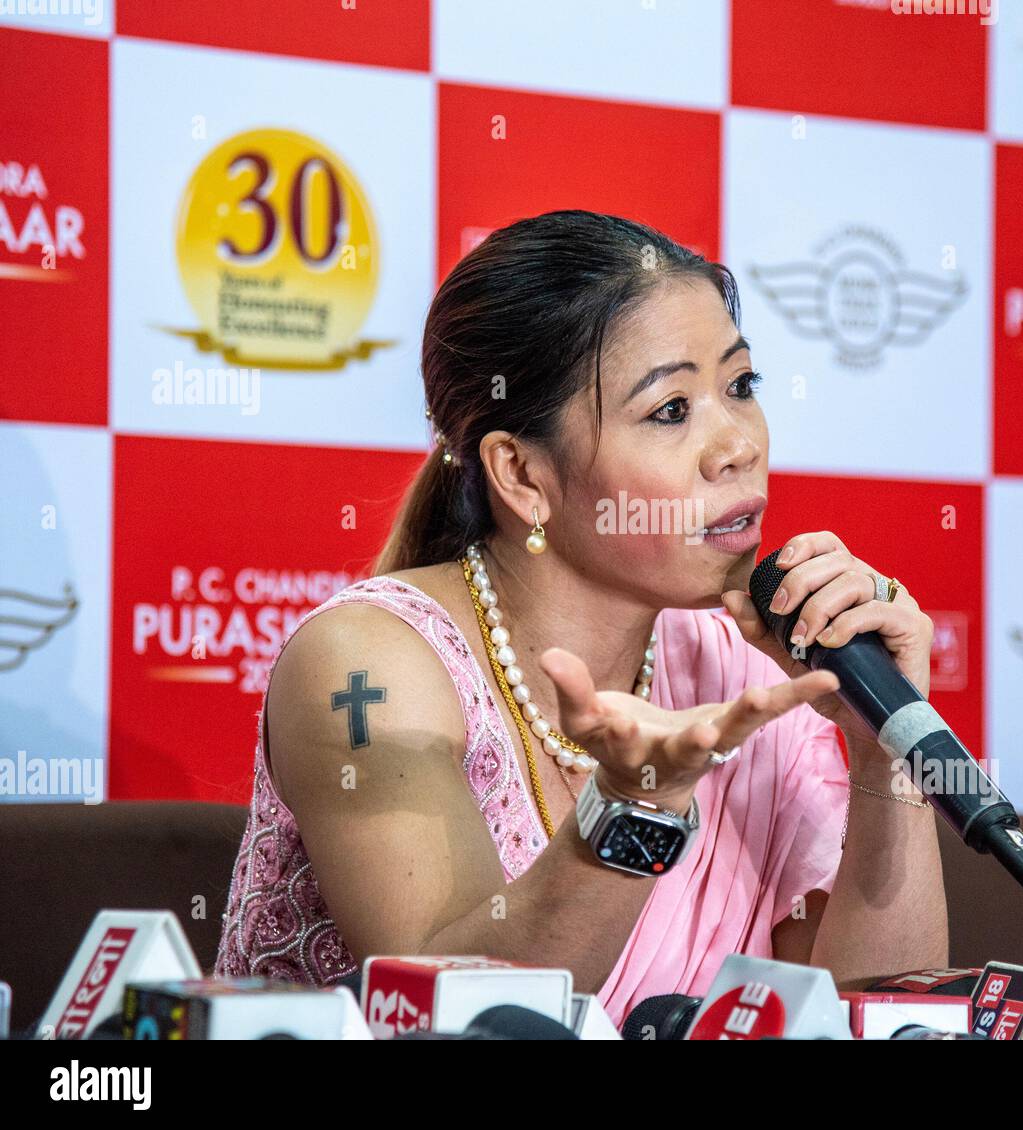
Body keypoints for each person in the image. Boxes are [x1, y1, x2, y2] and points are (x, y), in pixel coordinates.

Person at [213, 210, 947, 1031]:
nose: (737, 445)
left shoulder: (749, 677)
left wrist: (884, 746)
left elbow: (873, 1018)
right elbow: (458, 1019)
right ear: (523, 475)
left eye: (740, 386)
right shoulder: (366, 664)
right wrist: (640, 805)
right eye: (672, 410)